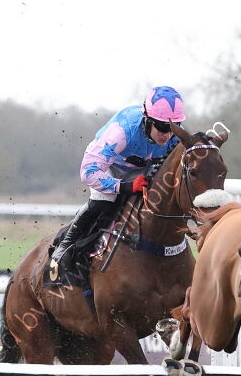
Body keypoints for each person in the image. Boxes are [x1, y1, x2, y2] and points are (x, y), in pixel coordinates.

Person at [48, 86, 186, 280]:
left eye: (174, 127)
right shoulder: (122, 131)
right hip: (108, 165)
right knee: (105, 202)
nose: (168, 134)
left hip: (143, 166)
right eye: (162, 127)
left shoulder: (174, 135)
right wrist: (126, 187)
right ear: (147, 119)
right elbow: (88, 172)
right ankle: (65, 247)